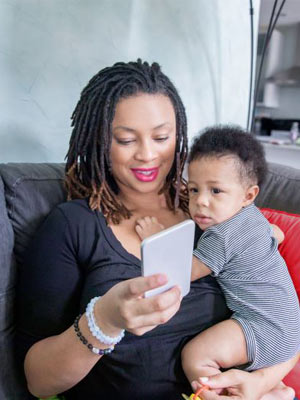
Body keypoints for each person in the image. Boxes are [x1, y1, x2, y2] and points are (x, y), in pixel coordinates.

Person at [15, 60, 298, 400]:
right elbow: (38, 381)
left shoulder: (216, 212)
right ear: (100, 142)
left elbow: (280, 317)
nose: (147, 155)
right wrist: (104, 320)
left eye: (161, 137)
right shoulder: (73, 226)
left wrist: (262, 383)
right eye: (125, 139)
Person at [135, 126, 300, 393]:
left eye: (215, 192)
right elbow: (278, 235)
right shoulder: (255, 217)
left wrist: (160, 236)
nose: (201, 202)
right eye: (194, 190)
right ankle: (276, 392)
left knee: (196, 356)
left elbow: (183, 272)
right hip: (290, 324)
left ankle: (217, 394)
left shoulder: (221, 237)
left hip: (263, 327)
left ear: (248, 195)